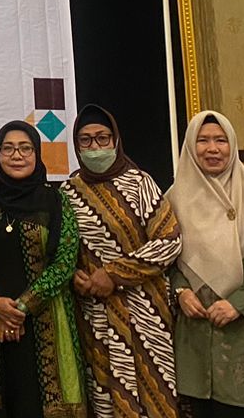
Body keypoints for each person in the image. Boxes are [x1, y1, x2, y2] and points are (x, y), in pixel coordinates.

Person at [167, 111, 244, 418]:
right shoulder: (172, 200)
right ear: (190, 147)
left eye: (221, 140)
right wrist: (181, 291)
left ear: (232, 145)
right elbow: (164, 257)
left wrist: (238, 303)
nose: (212, 149)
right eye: (203, 140)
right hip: (196, 327)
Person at [63, 104, 181, 418]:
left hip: (145, 311)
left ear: (115, 140)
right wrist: (74, 275)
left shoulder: (141, 183)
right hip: (95, 314)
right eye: (86, 140)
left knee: (153, 395)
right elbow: (60, 248)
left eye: (102, 138)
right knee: (104, 396)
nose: (95, 146)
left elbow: (169, 241)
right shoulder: (68, 192)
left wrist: (114, 274)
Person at [0, 120, 83, 418]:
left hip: (46, 320)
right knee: (2, 401)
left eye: (25, 148)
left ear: (37, 154)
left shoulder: (55, 201)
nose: (17, 155)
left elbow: (65, 261)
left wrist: (20, 309)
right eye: (8, 149)